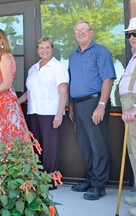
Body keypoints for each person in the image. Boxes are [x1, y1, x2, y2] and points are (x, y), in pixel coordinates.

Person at [68, 20, 116, 200]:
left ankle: (99, 185)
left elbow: (108, 80)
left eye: (83, 30)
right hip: (78, 105)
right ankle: (89, 179)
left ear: (91, 32)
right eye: (77, 30)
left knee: (98, 146)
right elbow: (73, 81)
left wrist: (101, 106)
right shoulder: (73, 55)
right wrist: (72, 106)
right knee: (86, 147)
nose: (80, 33)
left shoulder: (101, 51)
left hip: (95, 103)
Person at [18, 37, 69, 180]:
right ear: (37, 50)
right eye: (41, 48)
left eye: (47, 47)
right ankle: (38, 180)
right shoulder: (33, 69)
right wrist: (15, 103)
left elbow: (63, 90)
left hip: (51, 113)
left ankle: (51, 180)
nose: (44, 50)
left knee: (51, 149)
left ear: (52, 49)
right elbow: (29, 92)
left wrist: (59, 113)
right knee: (37, 147)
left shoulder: (58, 67)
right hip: (34, 112)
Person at [119, 17, 136, 216]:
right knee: (133, 153)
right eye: (129, 34)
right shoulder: (133, 56)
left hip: (133, 108)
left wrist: (134, 108)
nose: (132, 37)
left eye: (135, 33)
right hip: (128, 108)